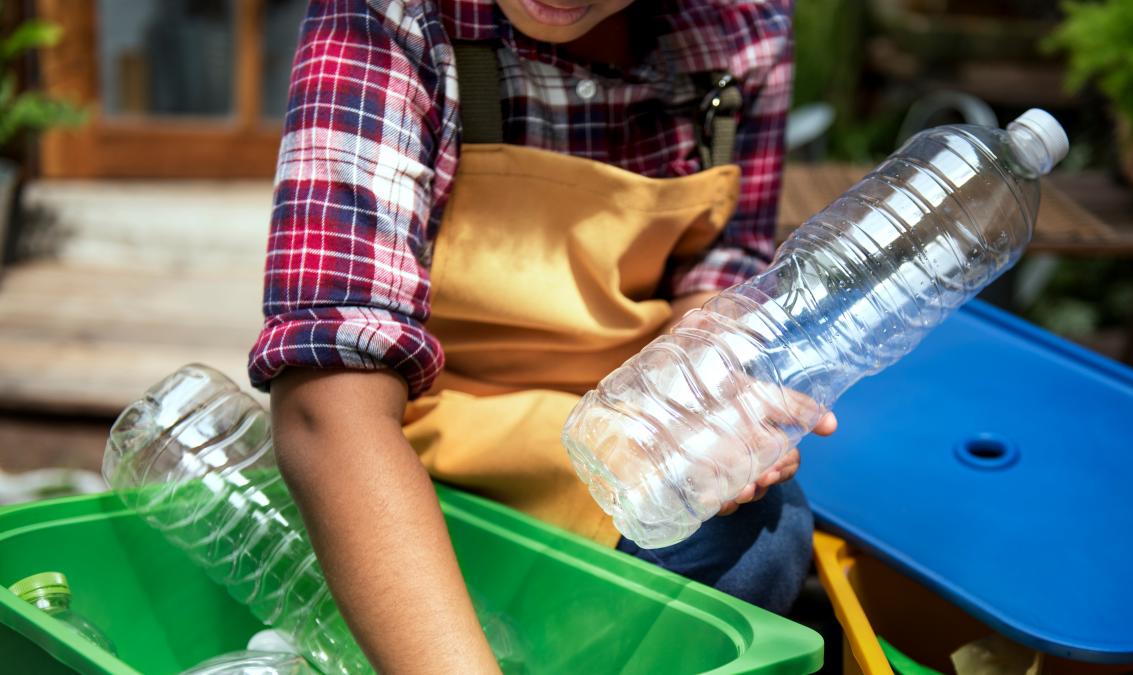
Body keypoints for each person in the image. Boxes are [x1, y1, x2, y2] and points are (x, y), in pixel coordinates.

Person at [248, 0, 837, 671]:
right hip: (415, 452)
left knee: (761, 532)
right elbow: (326, 409)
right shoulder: (392, 16)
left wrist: (708, 398)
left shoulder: (744, 27)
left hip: (611, 443)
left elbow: (718, 269)